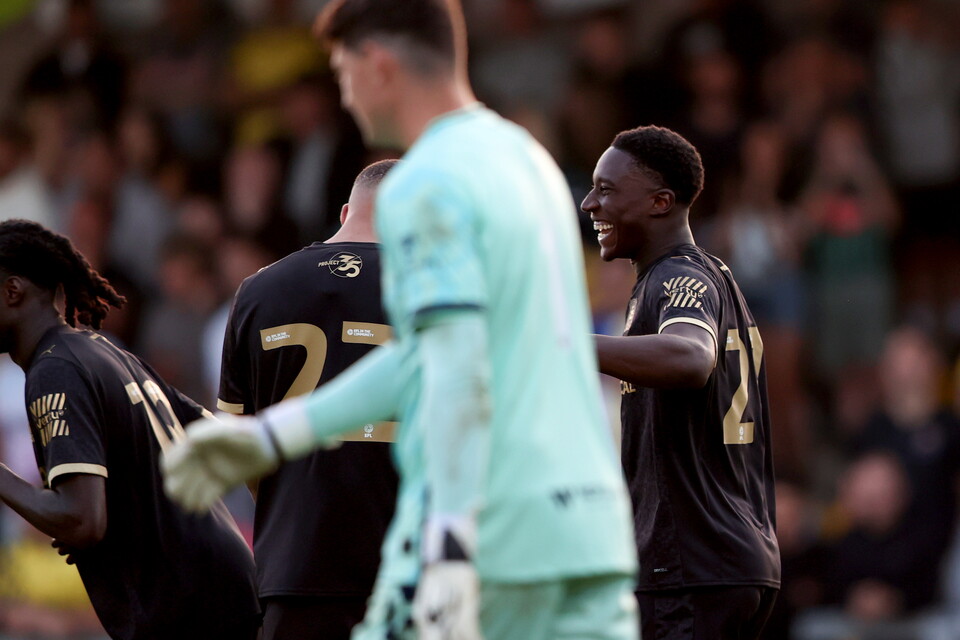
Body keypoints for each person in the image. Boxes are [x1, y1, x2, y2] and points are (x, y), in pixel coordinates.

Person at [163, 1, 638, 639]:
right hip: (586, 537)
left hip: (488, 548)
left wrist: (448, 547)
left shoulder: (429, 183)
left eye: (341, 70)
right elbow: (435, 349)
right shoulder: (529, 162)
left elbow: (456, 373)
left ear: (379, 65)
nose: (345, 94)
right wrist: (274, 436)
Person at [0, 219, 260, 640]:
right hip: (221, 586)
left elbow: (83, 521)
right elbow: (207, 428)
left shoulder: (54, 370)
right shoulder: (101, 348)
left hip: (187, 609)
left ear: (13, 291)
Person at [581, 125, 780, 640]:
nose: (589, 204)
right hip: (720, 562)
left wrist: (559, 345)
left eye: (606, 190)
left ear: (660, 202)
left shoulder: (678, 278)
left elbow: (691, 357)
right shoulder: (703, 276)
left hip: (692, 567)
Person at [217, 159, 400, 640]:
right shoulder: (430, 292)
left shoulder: (257, 291)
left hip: (292, 567)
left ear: (344, 213)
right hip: (405, 568)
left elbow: (236, 447)